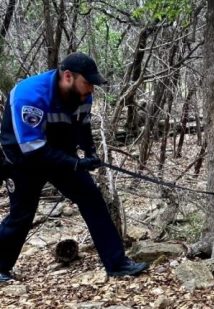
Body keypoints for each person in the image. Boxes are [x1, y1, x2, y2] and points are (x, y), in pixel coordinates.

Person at [0, 52, 149, 282]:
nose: (91, 89)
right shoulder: (29, 96)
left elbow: (83, 127)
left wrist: (90, 152)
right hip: (23, 159)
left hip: (59, 154)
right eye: (87, 83)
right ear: (68, 76)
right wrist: (76, 163)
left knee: (92, 199)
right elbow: (33, 149)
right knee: (21, 215)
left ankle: (117, 263)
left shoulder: (82, 96)